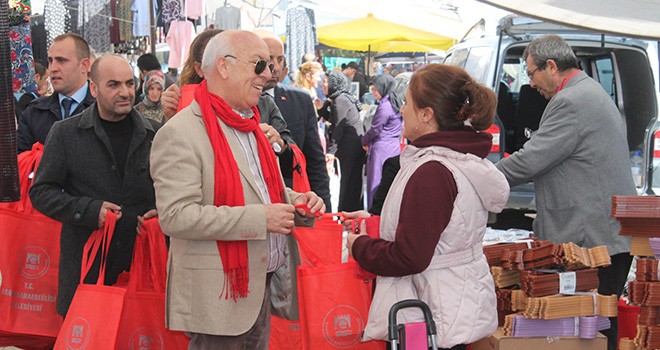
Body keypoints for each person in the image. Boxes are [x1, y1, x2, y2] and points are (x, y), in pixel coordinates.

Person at [149, 30, 325, 349]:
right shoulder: (181, 133)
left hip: (258, 286)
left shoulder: (249, 125)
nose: (268, 74)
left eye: (270, 65)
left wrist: (297, 201)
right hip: (219, 294)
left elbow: (258, 191)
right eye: (259, 65)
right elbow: (175, 217)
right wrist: (261, 219)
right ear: (224, 66)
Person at [344, 63, 508, 350]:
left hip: (431, 314)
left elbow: (410, 256)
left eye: (407, 102)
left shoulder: (433, 170)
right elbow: (436, 230)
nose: (401, 110)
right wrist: (375, 223)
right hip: (451, 305)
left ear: (426, 114)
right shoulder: (455, 160)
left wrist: (359, 246)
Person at [494, 34, 635, 350]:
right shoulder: (588, 90)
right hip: (606, 235)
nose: (529, 84)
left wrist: (480, 177)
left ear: (552, 66)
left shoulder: (570, 101)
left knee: (591, 329)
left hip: (593, 238)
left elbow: (533, 159)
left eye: (530, 73)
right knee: (598, 326)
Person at [29, 55, 159, 317]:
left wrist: (161, 211)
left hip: (142, 266)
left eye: (129, 84)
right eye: (113, 85)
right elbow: (41, 192)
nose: (125, 92)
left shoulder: (156, 133)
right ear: (94, 88)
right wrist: (88, 210)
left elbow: (171, 188)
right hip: (87, 271)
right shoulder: (66, 133)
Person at [160, 28, 295, 179]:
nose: (267, 74)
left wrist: (280, 146)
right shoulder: (184, 113)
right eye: (258, 64)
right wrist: (170, 118)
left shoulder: (262, 104)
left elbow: (288, 167)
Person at [255, 30, 332, 209]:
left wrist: (324, 208)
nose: (274, 66)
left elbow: (315, 159)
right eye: (268, 59)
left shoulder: (300, 99)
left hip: (296, 206)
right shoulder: (236, 100)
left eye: (279, 59)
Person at [17, 33, 95, 153]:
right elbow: (22, 162)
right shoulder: (34, 113)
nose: (53, 68)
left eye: (61, 60)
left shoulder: (103, 109)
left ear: (84, 66)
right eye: (50, 61)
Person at [326, 70, 366, 212]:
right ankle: (353, 209)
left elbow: (338, 127)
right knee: (354, 181)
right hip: (355, 145)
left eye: (327, 81)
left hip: (349, 146)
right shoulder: (344, 97)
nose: (325, 84)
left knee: (346, 180)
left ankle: (345, 211)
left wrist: (331, 151)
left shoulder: (340, 99)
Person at [362, 74, 403, 209]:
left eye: (375, 89)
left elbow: (375, 129)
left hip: (381, 150)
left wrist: (363, 140)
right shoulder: (396, 103)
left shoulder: (385, 106)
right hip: (393, 148)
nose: (373, 93)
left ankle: (374, 214)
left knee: (376, 184)